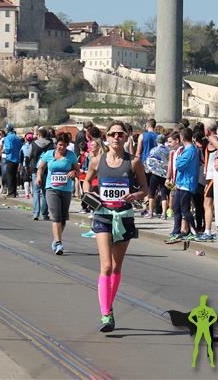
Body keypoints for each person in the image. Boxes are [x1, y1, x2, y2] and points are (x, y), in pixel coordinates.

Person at [83, 120, 148, 332]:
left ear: (126, 137)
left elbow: (145, 190)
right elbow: (86, 181)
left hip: (124, 216)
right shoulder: (97, 161)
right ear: (107, 137)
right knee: (106, 266)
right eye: (113, 134)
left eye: (120, 134)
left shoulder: (134, 162)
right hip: (102, 216)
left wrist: (135, 195)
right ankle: (106, 314)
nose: (116, 138)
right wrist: (89, 194)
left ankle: (108, 306)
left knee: (116, 267)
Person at [37, 132, 79, 256]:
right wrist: (38, 177)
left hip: (66, 189)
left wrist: (73, 172)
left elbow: (78, 171)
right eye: (60, 145)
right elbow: (41, 167)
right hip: (51, 188)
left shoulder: (71, 156)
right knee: (56, 216)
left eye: (64, 145)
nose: (62, 147)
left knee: (63, 218)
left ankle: (56, 238)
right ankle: (59, 243)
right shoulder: (49, 154)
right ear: (56, 144)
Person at [166, 128, 201, 243]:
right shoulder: (187, 150)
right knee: (176, 208)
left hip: (187, 184)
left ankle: (193, 232)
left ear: (182, 137)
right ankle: (176, 232)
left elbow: (179, 165)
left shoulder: (190, 150)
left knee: (185, 209)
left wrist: (177, 159)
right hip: (181, 183)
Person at [144, 134, 171, 219]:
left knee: (151, 193)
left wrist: (148, 170)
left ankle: (151, 212)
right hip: (164, 175)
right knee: (163, 193)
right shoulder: (168, 150)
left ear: (157, 141)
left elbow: (148, 161)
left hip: (155, 174)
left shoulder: (153, 150)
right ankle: (164, 213)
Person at [30, 127, 53, 220]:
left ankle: (36, 213)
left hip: (35, 169)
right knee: (45, 192)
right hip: (46, 170)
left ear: (39, 135)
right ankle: (44, 214)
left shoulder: (33, 143)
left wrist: (27, 165)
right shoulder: (50, 144)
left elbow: (29, 155)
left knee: (36, 192)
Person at [2, 124, 23, 198]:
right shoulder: (17, 137)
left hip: (10, 159)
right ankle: (14, 192)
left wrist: (4, 151)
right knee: (14, 176)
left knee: (9, 176)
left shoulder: (7, 137)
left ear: (7, 129)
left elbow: (8, 148)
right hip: (17, 159)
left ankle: (11, 193)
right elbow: (20, 147)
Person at [21, 133, 33, 199]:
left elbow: (20, 156)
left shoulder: (23, 146)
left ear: (26, 139)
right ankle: (32, 193)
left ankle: (27, 194)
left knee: (26, 180)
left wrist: (20, 163)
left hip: (25, 164)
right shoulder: (34, 146)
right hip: (33, 164)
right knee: (32, 179)